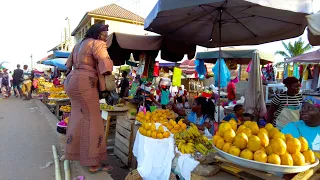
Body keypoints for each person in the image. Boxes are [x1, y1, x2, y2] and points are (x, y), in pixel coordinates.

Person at [64, 23, 113, 173]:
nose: (105, 39)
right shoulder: (97, 44)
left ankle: (77, 153)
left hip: (72, 81)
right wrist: (110, 81)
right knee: (93, 120)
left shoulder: (78, 45)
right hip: (86, 82)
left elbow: (68, 65)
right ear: (97, 34)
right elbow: (105, 63)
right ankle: (93, 163)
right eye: (104, 36)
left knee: (78, 116)